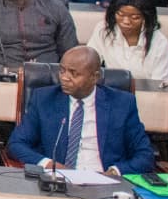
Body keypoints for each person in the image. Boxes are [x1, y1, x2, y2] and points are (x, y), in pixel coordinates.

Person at [9, 46, 156, 174]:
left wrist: (116, 171)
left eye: (74, 73)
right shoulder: (44, 99)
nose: (64, 78)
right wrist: (48, 164)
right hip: (58, 180)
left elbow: (144, 155)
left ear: (95, 77)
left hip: (105, 183)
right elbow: (16, 144)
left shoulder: (122, 103)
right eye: (62, 71)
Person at [90, 0, 168, 82]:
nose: (125, 21)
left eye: (134, 18)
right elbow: (89, 63)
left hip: (146, 93)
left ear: (146, 17)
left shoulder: (159, 42)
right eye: (120, 14)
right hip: (112, 90)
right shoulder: (103, 29)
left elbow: (160, 84)